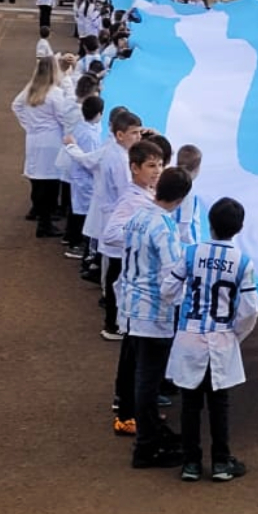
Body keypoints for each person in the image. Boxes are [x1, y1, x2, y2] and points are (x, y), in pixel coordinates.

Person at [161, 197, 258, 482]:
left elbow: (169, 289)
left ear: (210, 223)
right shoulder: (243, 262)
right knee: (219, 403)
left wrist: (182, 310)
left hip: (189, 336)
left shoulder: (191, 253)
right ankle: (220, 462)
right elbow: (251, 309)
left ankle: (191, 463)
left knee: (190, 403)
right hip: (221, 338)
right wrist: (236, 333)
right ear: (239, 228)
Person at [119, 167, 193, 469]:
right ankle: (147, 446)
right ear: (181, 197)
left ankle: (150, 436)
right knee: (148, 381)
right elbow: (171, 275)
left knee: (142, 378)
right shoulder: (165, 226)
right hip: (154, 313)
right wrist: (180, 300)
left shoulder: (138, 216)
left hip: (132, 305)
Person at [103, 140, 170, 437]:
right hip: (136, 294)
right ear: (134, 168)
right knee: (135, 357)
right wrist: (142, 233)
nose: (158, 171)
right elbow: (110, 234)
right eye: (151, 166)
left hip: (137, 293)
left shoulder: (148, 195)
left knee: (133, 353)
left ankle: (131, 406)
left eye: (160, 165)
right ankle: (128, 413)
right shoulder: (131, 201)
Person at [64, 110, 144, 340]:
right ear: (120, 135)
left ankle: (114, 319)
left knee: (114, 273)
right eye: (134, 133)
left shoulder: (114, 151)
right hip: (117, 222)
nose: (138, 137)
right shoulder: (119, 160)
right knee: (116, 275)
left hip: (111, 219)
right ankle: (113, 323)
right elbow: (126, 194)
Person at [11, 56, 69, 238]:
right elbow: (64, 118)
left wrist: (28, 124)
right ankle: (45, 223)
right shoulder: (55, 94)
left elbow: (16, 106)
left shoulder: (30, 90)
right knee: (51, 183)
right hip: (51, 141)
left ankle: (38, 213)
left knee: (36, 179)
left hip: (34, 139)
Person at [64, 96, 104, 259]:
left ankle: (70, 238)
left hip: (79, 177)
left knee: (77, 208)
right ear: (99, 113)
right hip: (85, 178)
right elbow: (90, 160)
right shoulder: (90, 136)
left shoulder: (82, 127)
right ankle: (76, 244)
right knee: (83, 212)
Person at [173, 145, 203, 245]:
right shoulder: (188, 192)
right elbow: (185, 226)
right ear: (197, 169)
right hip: (184, 248)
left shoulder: (169, 181)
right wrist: (195, 248)